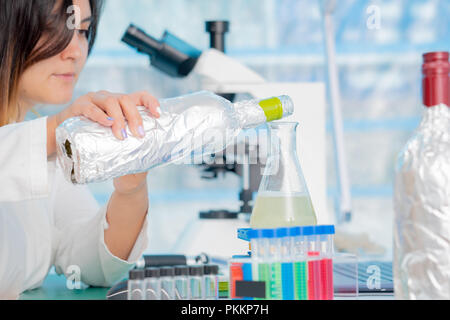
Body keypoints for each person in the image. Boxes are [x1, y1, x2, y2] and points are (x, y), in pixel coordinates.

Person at [0, 0, 161, 299]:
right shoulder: (36, 143)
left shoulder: (44, 150)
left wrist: (130, 190)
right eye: (51, 28)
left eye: (83, 30)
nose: (75, 51)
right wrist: (56, 129)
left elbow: (91, 264)